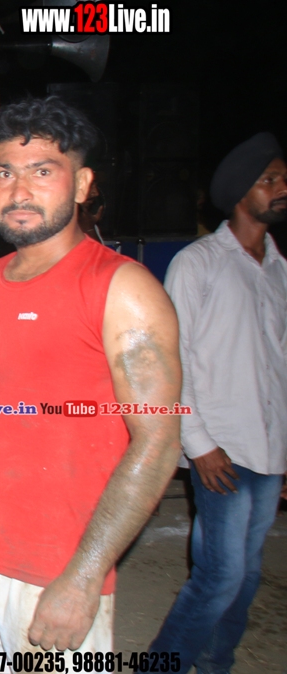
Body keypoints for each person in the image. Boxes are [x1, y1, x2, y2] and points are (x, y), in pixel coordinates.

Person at [0, 96, 183, 655]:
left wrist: (85, 577)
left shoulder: (123, 289)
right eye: (4, 172)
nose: (19, 191)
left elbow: (158, 442)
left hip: (63, 570)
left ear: (82, 184)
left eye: (42, 172)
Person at [148, 132, 287, 672]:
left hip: (266, 447)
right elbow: (170, 360)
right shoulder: (198, 263)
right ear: (239, 192)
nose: (281, 188)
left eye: (282, 179)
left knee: (247, 574)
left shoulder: (279, 269)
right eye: (269, 180)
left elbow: (278, 366)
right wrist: (198, 443)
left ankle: (215, 664)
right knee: (220, 575)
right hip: (221, 449)